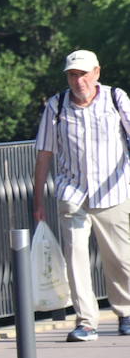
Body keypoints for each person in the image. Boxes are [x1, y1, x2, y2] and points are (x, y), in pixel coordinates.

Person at [33, 50, 130, 341]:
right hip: (72, 192)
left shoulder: (116, 99)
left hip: (114, 190)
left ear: (97, 72)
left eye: (84, 74)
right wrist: (38, 201)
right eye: (73, 75)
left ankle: (126, 311)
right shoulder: (57, 105)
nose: (79, 81)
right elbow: (45, 153)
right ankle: (86, 321)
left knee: (120, 257)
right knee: (75, 254)